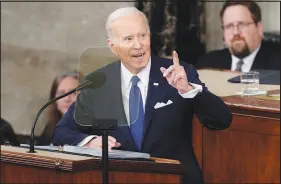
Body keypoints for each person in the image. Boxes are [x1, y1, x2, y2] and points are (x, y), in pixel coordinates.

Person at [52, 7, 232, 184]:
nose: (138, 45)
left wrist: (188, 90)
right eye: (129, 39)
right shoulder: (98, 84)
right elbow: (62, 132)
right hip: (120, 178)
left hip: (176, 179)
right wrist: (90, 141)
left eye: (142, 35)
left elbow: (221, 120)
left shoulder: (178, 73)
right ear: (113, 46)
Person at [196, 0, 280, 72]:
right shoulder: (208, 65)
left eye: (242, 24)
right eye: (229, 26)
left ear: (259, 28)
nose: (235, 32)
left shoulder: (277, 64)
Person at [36, 71, 82, 145]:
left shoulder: (93, 128)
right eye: (62, 93)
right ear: (54, 100)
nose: (67, 99)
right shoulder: (51, 127)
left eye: (74, 93)